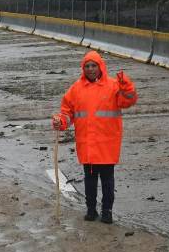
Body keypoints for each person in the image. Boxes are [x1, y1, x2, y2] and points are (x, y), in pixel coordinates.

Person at [51, 50, 138, 224]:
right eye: (87, 66)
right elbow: (67, 112)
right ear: (83, 68)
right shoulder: (76, 89)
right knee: (90, 180)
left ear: (100, 67)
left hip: (107, 143)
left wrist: (126, 86)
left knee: (107, 180)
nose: (90, 69)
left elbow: (128, 101)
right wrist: (61, 121)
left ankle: (107, 211)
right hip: (88, 144)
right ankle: (91, 209)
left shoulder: (113, 86)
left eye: (94, 66)